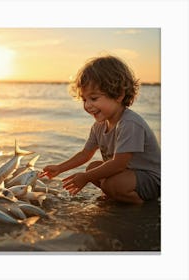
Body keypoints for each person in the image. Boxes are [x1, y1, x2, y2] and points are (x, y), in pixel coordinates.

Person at [40, 55, 160, 204]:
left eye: (94, 98)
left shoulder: (130, 123)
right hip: (128, 175)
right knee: (92, 167)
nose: (88, 105)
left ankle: (139, 203)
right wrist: (59, 168)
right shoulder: (99, 126)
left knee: (109, 182)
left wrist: (85, 178)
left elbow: (118, 164)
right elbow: (85, 154)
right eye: (84, 99)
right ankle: (117, 196)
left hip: (150, 179)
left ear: (119, 95)